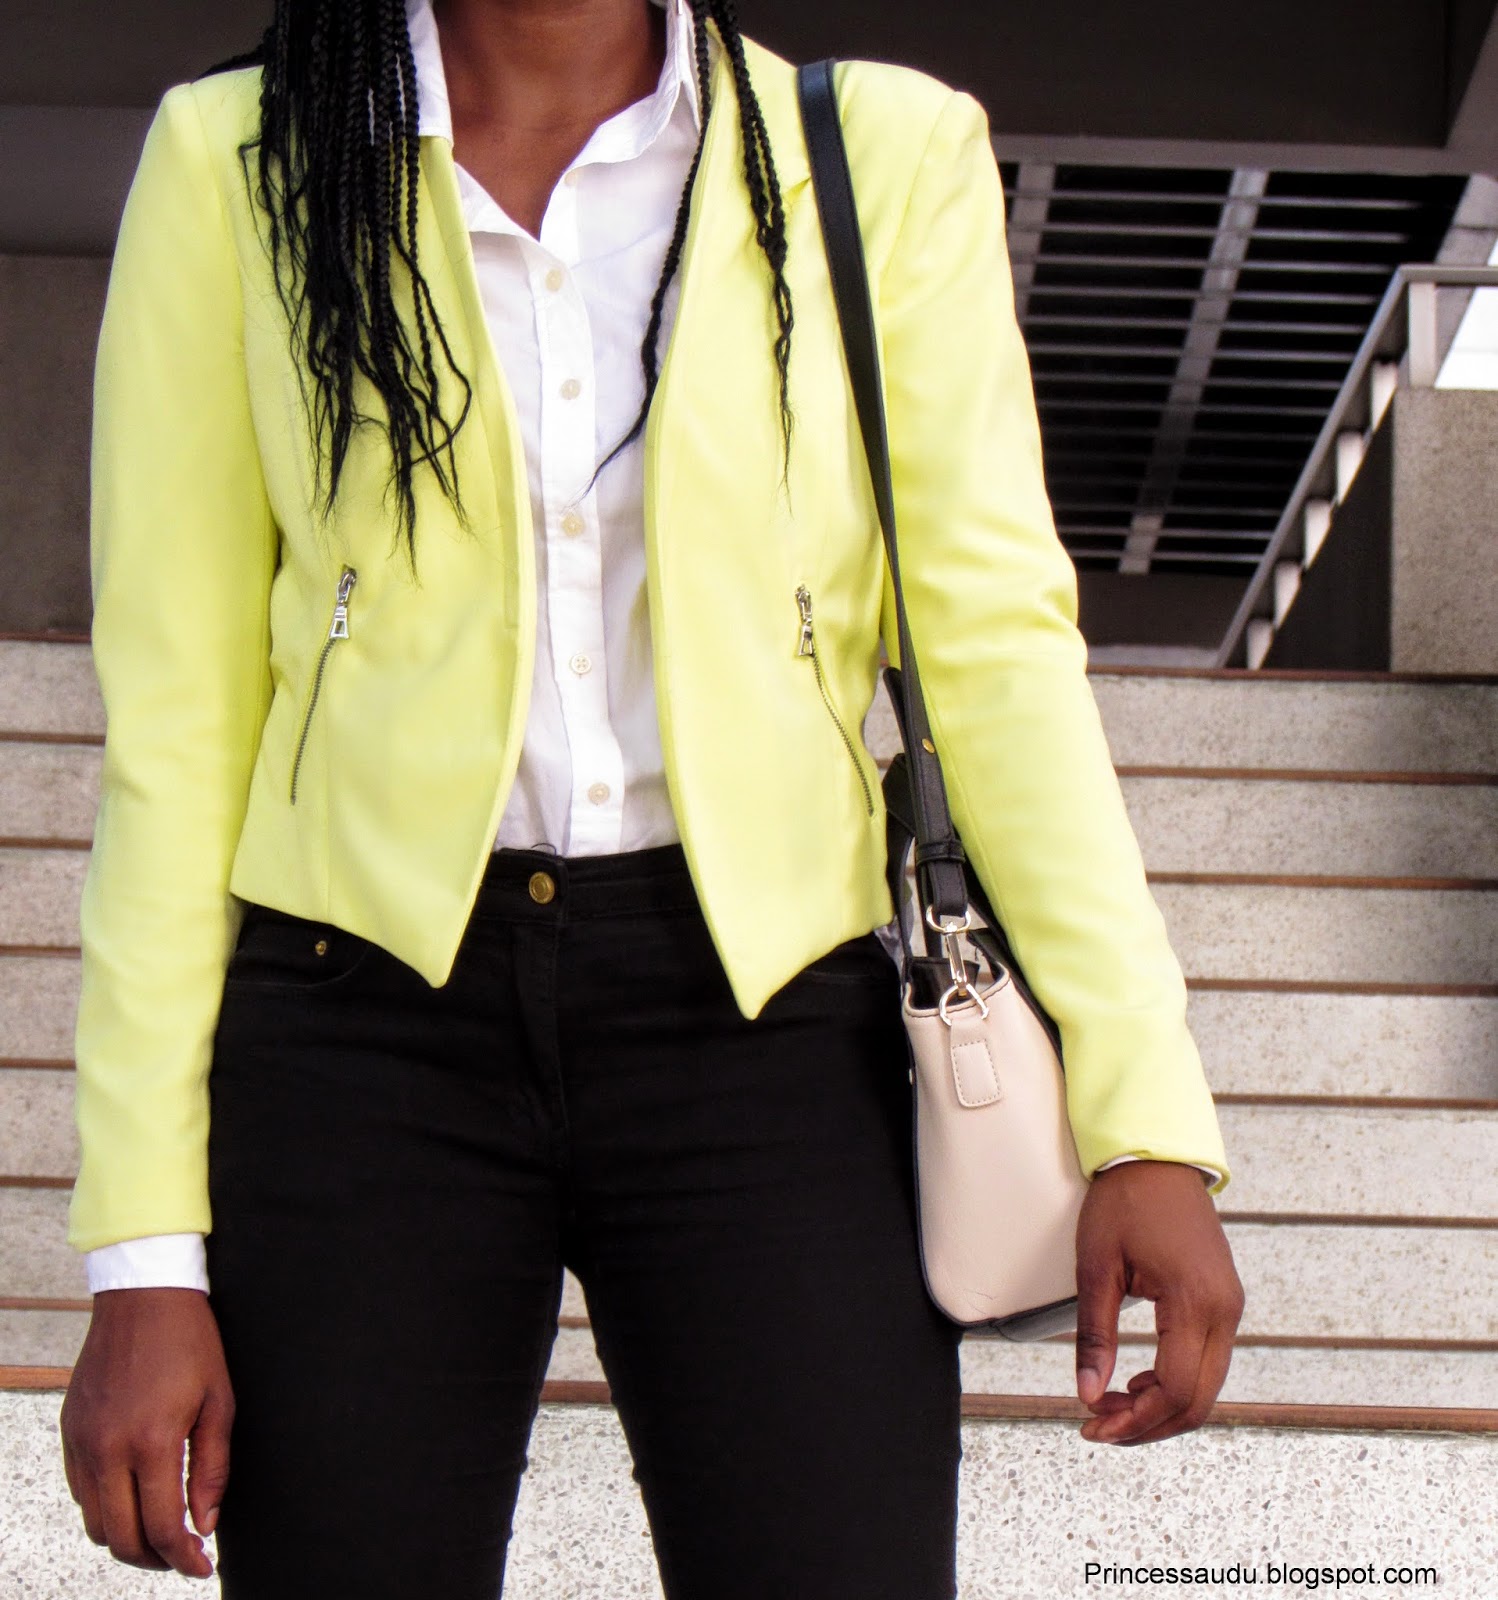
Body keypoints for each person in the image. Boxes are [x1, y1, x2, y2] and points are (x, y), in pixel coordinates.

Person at [57, 0, 1244, 1595]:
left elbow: (995, 661)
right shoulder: (242, 158)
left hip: (767, 1029)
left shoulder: (872, 153)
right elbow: (179, 720)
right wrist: (141, 1254)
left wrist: (1142, 1118)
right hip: (356, 1029)